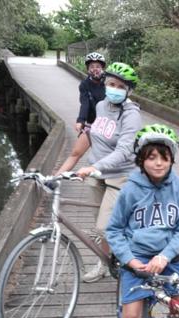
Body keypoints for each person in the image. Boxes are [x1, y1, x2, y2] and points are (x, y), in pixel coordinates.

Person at [106, 124, 179, 318]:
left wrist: (165, 256)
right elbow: (114, 229)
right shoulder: (130, 190)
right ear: (141, 160)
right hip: (138, 261)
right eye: (151, 157)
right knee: (131, 317)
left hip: (170, 261)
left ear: (171, 159)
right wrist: (130, 260)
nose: (158, 163)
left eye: (163, 157)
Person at [56, 62, 142, 282]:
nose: (114, 88)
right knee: (99, 225)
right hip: (96, 174)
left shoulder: (131, 114)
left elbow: (124, 150)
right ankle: (104, 263)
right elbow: (92, 135)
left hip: (120, 175)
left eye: (120, 86)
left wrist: (96, 167)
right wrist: (64, 170)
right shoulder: (102, 106)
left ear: (128, 90)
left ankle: (129, 263)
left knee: (105, 227)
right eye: (111, 83)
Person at [75, 52, 106, 133]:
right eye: (92, 67)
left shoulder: (108, 81)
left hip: (108, 120)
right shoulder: (84, 85)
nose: (95, 69)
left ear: (102, 68)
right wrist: (80, 120)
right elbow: (85, 104)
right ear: (88, 69)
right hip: (92, 121)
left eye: (98, 67)